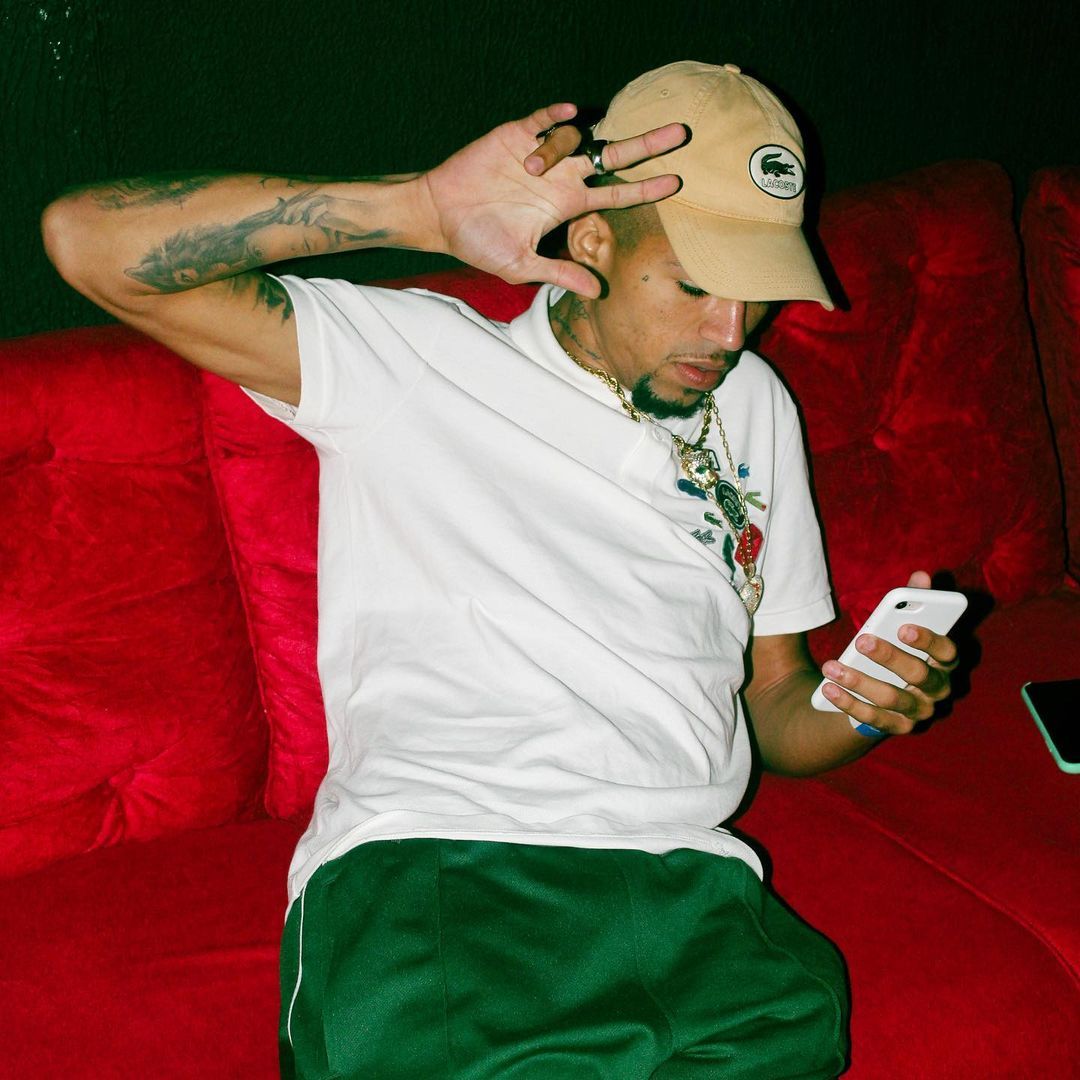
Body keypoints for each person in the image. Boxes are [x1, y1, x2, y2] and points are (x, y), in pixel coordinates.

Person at [44, 61, 957, 1080]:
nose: (729, 334)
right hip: (448, 866)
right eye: (696, 286)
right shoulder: (414, 364)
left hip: (694, 888)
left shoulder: (754, 404)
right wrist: (418, 209)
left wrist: (864, 705)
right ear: (595, 239)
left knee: (807, 1026)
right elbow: (90, 243)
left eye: (757, 295)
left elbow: (777, 707)